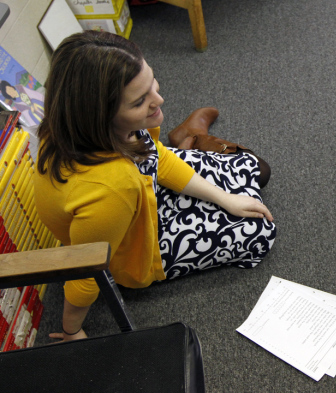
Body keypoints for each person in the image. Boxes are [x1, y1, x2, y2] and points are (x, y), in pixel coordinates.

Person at [33, 31, 277, 341]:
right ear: (102, 117)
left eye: (152, 82)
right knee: (261, 232)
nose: (159, 100)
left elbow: (153, 155)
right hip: (135, 245)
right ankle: (192, 138)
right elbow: (87, 269)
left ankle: (191, 138)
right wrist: (72, 330)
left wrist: (224, 198)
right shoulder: (110, 188)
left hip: (137, 193)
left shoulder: (74, 124)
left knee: (255, 170)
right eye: (140, 101)